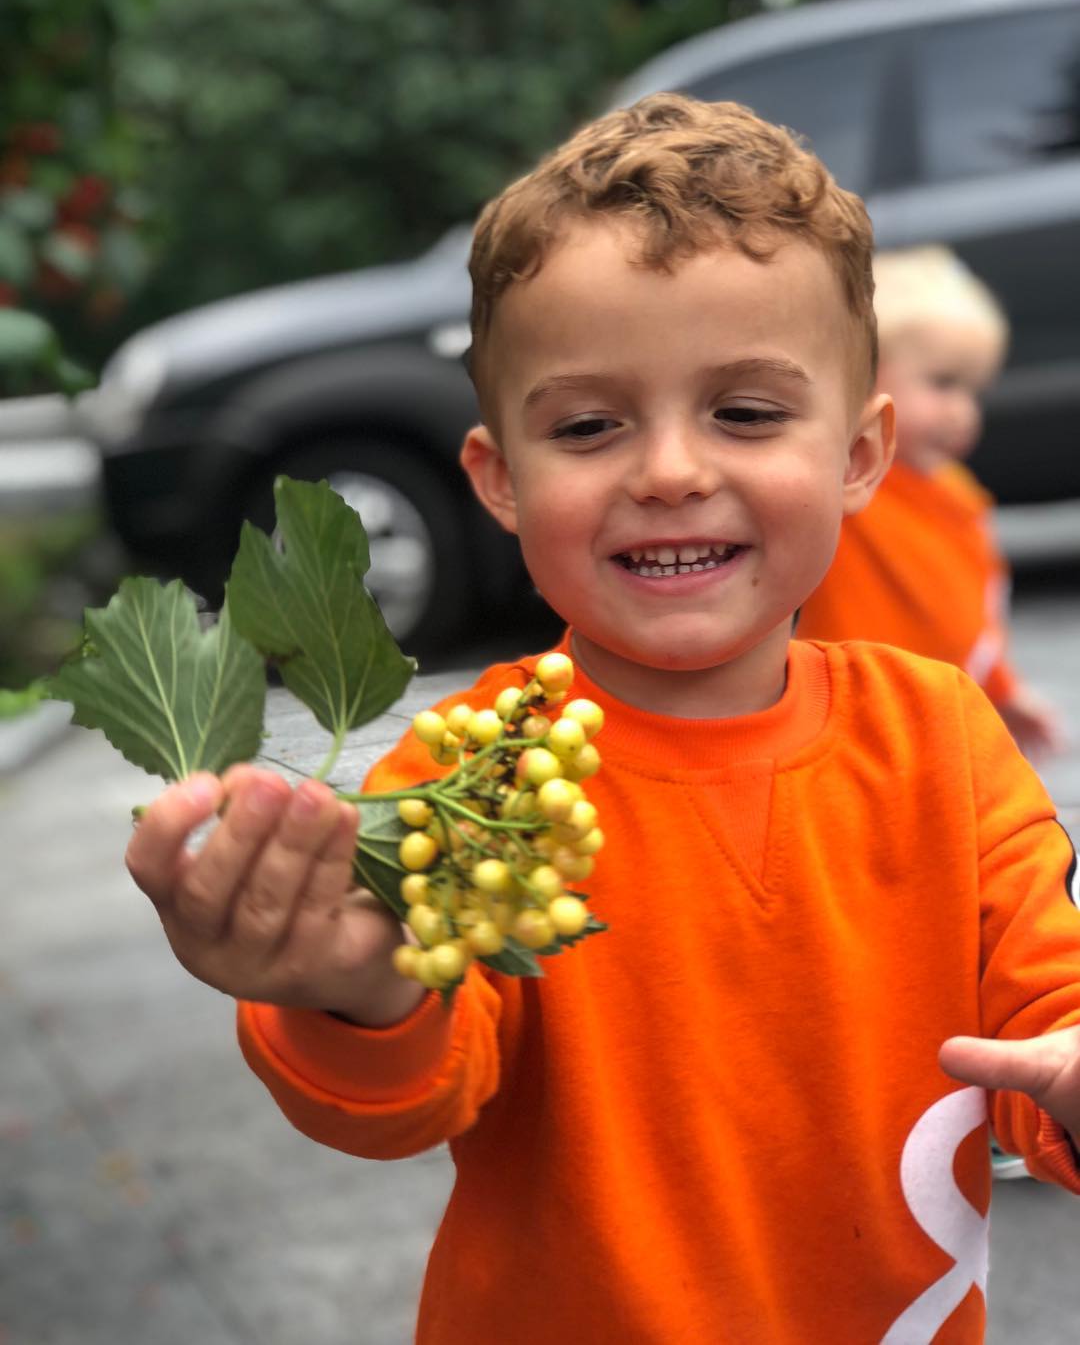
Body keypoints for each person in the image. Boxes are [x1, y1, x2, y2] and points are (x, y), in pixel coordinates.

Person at [125, 94, 1080, 1343]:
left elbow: (1041, 1030)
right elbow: (406, 1099)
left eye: (745, 411)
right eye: (589, 425)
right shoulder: (478, 773)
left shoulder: (942, 739)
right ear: (501, 480)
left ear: (860, 454)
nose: (671, 470)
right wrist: (353, 994)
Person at [797, 244, 1063, 758]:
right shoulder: (842, 480)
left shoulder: (960, 495)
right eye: (942, 383)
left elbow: (976, 606)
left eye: (973, 391)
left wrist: (1003, 691)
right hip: (847, 721)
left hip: (934, 719)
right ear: (862, 372)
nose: (963, 411)